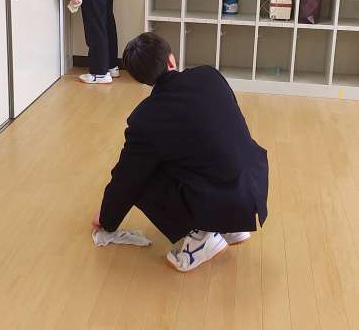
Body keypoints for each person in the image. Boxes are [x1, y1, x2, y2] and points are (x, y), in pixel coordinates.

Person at [92, 32, 269, 272]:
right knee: (204, 150)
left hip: (221, 197)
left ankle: (203, 238)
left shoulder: (145, 118)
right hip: (252, 184)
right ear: (171, 59)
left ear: (142, 80)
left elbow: (126, 179)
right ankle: (231, 226)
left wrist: (106, 220)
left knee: (142, 174)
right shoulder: (209, 75)